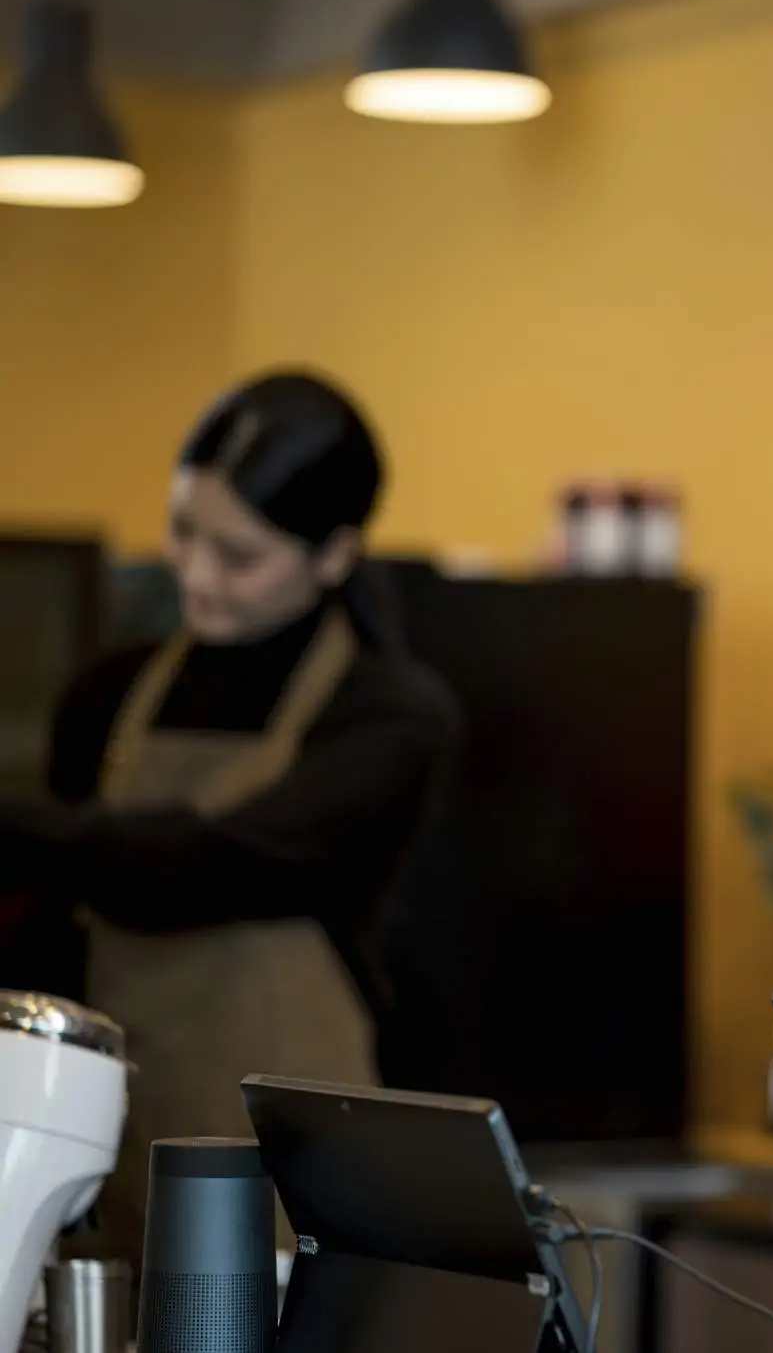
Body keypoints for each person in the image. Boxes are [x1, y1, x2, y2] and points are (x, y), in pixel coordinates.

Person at [0, 370, 459, 1258]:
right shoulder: (108, 693)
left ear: (334, 555)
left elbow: (214, 863)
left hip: (295, 1177)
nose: (197, 575)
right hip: (105, 1148)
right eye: (183, 533)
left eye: (239, 555)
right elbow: (60, 924)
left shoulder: (389, 714)